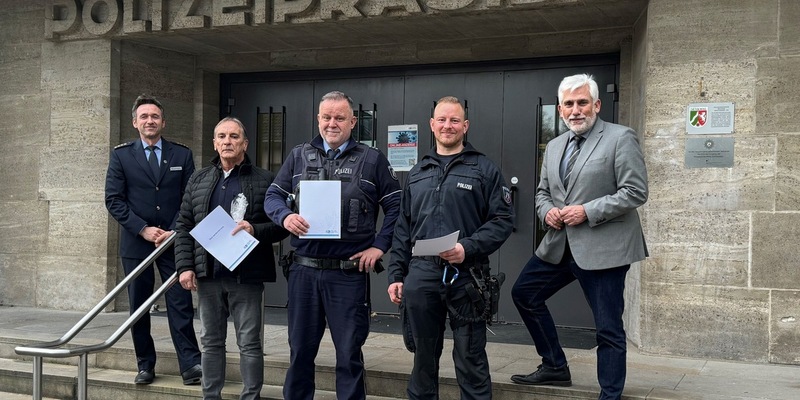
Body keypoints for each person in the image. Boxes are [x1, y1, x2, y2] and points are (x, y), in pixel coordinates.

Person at [510, 74, 648, 400]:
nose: (575, 110)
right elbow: (544, 193)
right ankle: (555, 365)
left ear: (597, 105)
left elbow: (635, 191)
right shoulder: (556, 145)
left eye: (582, 102)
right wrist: (547, 212)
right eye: (569, 104)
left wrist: (587, 210)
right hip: (560, 245)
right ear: (559, 110)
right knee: (524, 294)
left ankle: (609, 394)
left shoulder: (620, 138)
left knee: (607, 327)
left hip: (605, 248)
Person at [264, 90, 402, 400]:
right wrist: (285, 217)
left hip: (348, 274)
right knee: (299, 351)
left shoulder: (372, 160)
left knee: (349, 354)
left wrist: (380, 246)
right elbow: (272, 197)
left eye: (340, 117)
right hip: (304, 273)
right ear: (318, 119)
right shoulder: (299, 155)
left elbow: (397, 207)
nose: (332, 123)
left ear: (353, 121)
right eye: (326, 117)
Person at [387, 96, 515, 399]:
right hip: (421, 276)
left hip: (467, 277)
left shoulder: (484, 169)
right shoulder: (418, 172)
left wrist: (467, 248)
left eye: (454, 120)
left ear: (465, 126)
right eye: (442, 120)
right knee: (422, 359)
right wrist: (396, 274)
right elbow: (403, 228)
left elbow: (502, 220)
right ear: (432, 125)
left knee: (470, 359)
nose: (448, 126)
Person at [175, 117, 288, 400]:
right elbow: (184, 226)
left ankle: (251, 396)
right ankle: (210, 396)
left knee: (249, 343)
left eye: (234, 136)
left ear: (245, 143)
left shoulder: (266, 180)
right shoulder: (199, 179)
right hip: (208, 276)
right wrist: (185, 267)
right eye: (222, 136)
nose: (227, 141)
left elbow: (279, 226)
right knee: (211, 342)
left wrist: (254, 229)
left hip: (246, 277)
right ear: (214, 143)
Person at [105, 94, 202, 385]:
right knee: (139, 306)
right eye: (144, 116)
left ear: (163, 121)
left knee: (180, 303)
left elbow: (191, 196)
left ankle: (191, 365)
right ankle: (145, 365)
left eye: (155, 116)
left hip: (174, 242)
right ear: (135, 122)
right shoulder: (121, 155)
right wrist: (143, 229)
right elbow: (113, 199)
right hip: (137, 243)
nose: (150, 121)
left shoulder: (181, 154)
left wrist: (175, 229)